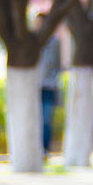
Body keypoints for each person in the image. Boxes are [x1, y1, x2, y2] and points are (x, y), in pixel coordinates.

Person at [37, 25, 63, 157]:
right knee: (36, 118)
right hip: (33, 86)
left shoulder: (54, 42)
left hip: (48, 86)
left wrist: (53, 78)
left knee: (46, 119)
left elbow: (58, 65)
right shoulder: (32, 41)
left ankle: (45, 148)